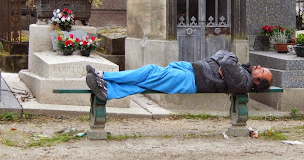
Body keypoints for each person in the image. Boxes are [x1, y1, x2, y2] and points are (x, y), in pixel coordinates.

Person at [85, 50, 273, 101]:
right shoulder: (242, 72)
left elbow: (224, 59)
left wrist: (227, 60)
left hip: (191, 80)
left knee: (151, 72)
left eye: (262, 70)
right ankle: (108, 91)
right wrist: (224, 61)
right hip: (190, 69)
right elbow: (221, 54)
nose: (258, 66)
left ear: (257, 80)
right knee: (148, 81)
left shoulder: (244, 81)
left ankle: (104, 75)